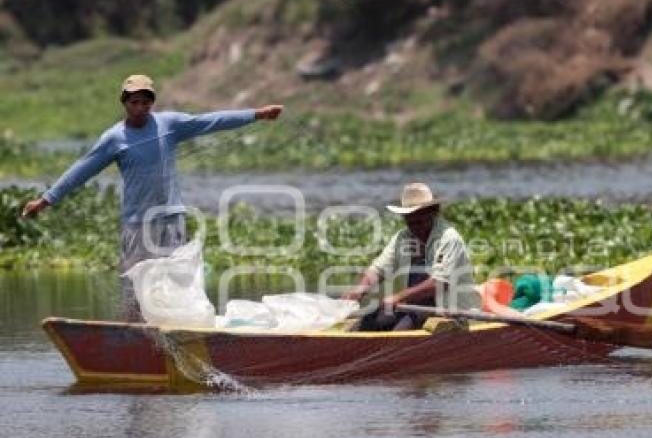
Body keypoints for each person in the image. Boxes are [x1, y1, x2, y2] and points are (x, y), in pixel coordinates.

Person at [21, 74, 283, 320]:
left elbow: (209, 121)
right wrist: (45, 200)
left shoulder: (169, 124)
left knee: (175, 282)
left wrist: (256, 114)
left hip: (171, 218)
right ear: (125, 103)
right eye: (135, 102)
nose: (141, 107)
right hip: (138, 224)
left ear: (152, 104)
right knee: (135, 285)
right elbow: (82, 170)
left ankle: (173, 332)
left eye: (146, 102)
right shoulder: (114, 139)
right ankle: (132, 331)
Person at [343, 182, 480, 331]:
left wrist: (399, 297)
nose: (416, 228)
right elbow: (378, 270)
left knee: (400, 330)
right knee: (366, 323)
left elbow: (438, 283)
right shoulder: (402, 238)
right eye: (411, 222)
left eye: (420, 221)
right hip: (415, 306)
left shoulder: (449, 238)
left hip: (452, 312)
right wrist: (359, 290)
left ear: (433, 213)